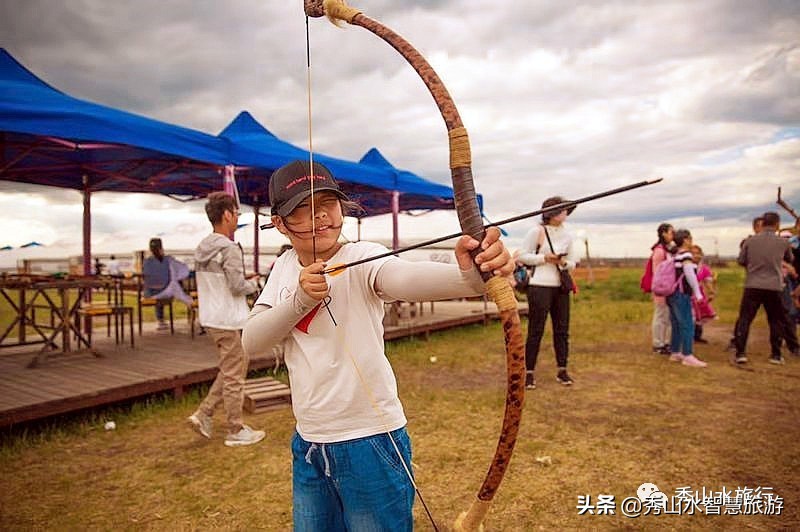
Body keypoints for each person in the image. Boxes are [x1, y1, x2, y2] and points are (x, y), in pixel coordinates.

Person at [241, 160, 513, 529]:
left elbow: (404, 277)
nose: (320, 216)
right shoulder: (285, 267)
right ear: (279, 223)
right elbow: (252, 340)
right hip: (309, 443)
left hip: (369, 441)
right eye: (302, 210)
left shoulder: (362, 258)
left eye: (328, 203)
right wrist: (299, 299)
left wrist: (471, 275)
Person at [188, 192, 265, 447]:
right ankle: (235, 429)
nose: (237, 218)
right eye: (237, 213)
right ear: (227, 215)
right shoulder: (229, 248)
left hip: (211, 317)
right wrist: (252, 285)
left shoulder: (202, 247)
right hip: (230, 319)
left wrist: (243, 280)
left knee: (231, 369)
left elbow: (221, 281)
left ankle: (204, 413)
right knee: (235, 376)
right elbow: (235, 286)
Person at [517, 196, 580, 389]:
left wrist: (561, 262)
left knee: (562, 330)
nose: (565, 214)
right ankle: (528, 372)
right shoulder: (537, 232)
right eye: (562, 210)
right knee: (536, 329)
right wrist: (545, 258)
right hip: (539, 285)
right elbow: (523, 256)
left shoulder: (568, 235)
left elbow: (573, 262)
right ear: (551, 212)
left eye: (567, 210)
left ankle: (562, 370)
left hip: (560, 286)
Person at [733, 212, 800, 364]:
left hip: (753, 284)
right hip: (774, 285)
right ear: (777, 224)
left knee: (745, 319)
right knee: (775, 320)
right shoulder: (783, 242)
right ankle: (775, 354)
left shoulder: (750, 241)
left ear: (762, 224)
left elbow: (742, 260)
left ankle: (741, 352)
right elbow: (790, 258)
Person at [666, 229, 708, 367]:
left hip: (671, 293)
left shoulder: (675, 254)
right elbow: (690, 275)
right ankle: (687, 354)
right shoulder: (686, 255)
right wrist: (698, 293)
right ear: (685, 239)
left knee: (677, 323)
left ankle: (675, 351)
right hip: (681, 293)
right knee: (687, 323)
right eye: (690, 238)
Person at [649, 223, 674, 354]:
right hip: (661, 288)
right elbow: (658, 272)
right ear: (663, 233)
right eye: (670, 232)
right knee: (660, 316)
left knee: (666, 316)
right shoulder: (659, 251)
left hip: (667, 288)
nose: (672, 235)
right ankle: (658, 343)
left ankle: (664, 342)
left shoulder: (667, 250)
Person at [142, 238, 171, 330]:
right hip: (166, 294)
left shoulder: (147, 261)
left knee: (155, 290)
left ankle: (160, 320)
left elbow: (145, 276)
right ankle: (161, 320)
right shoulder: (167, 260)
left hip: (150, 294)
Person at [690, 245, 716, 343]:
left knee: (700, 315)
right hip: (688, 293)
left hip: (699, 295)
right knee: (690, 315)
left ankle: (697, 335)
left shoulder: (704, 269)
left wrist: (711, 292)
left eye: (698, 253)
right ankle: (689, 335)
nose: (696, 256)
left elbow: (708, 282)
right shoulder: (686, 266)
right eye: (693, 253)